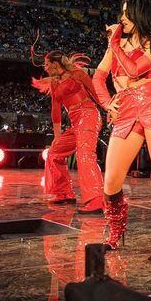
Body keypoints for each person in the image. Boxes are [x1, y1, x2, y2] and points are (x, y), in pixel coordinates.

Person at [92, 0, 151, 261]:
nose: (122, 19)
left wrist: (114, 44)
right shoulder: (116, 44)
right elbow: (98, 76)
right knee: (110, 183)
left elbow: (133, 70)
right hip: (125, 110)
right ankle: (116, 233)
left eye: (128, 14)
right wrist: (108, 104)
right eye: (122, 13)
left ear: (142, 15)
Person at [31, 49, 104, 213]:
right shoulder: (55, 83)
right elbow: (55, 111)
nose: (45, 67)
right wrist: (56, 137)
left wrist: (110, 109)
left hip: (89, 114)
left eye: (47, 64)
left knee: (84, 154)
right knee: (54, 153)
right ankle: (64, 193)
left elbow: (96, 94)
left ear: (55, 64)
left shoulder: (77, 74)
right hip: (75, 122)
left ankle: (96, 200)